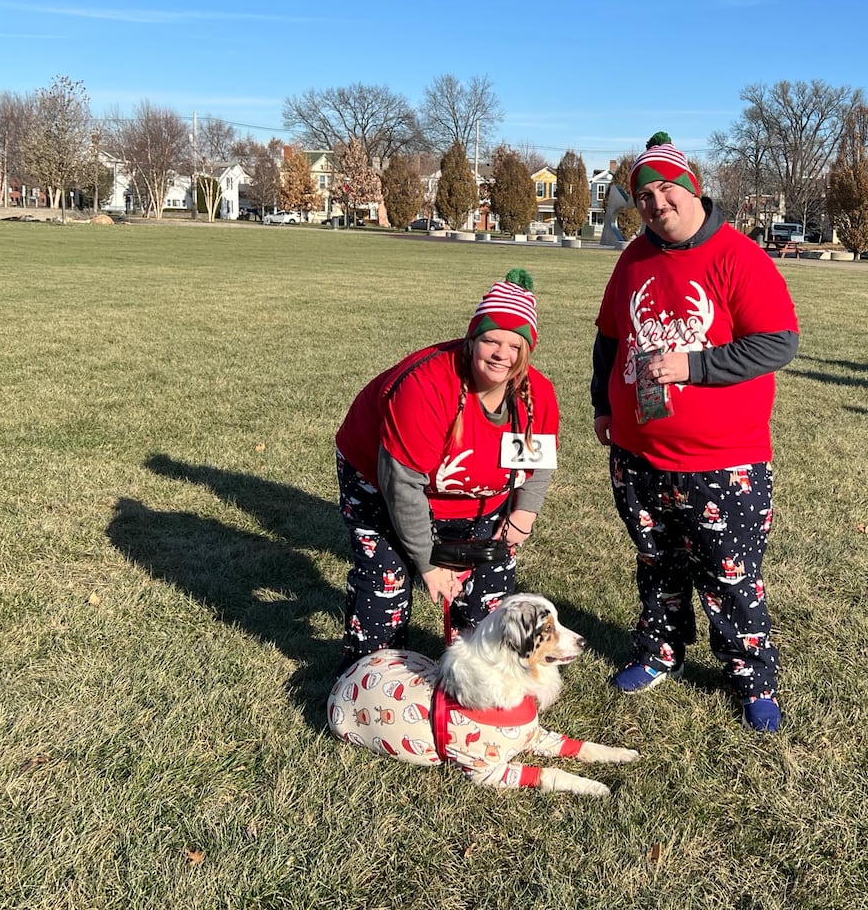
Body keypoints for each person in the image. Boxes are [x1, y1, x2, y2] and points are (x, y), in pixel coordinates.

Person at [590, 132, 800, 733]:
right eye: (644, 196)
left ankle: (751, 678)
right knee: (656, 562)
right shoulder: (634, 256)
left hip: (720, 459)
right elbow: (609, 336)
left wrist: (694, 367)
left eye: (666, 189)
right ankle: (660, 652)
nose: (657, 204)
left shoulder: (739, 256)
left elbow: (778, 343)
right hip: (637, 450)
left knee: (728, 572)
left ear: (692, 189)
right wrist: (602, 405)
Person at [334, 269, 559, 667]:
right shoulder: (426, 387)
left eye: (513, 344)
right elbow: (401, 484)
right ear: (472, 341)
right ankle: (368, 679)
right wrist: (428, 563)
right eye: (490, 340)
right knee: (386, 581)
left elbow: (535, 465)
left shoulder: (535, 394)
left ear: (527, 350)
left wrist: (522, 516)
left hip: (475, 497)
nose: (500, 354)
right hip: (382, 481)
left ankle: (476, 680)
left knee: (488, 596)